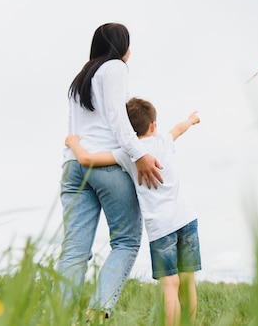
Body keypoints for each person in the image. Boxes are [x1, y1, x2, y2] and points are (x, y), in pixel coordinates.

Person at [56, 23, 163, 320]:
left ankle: (61, 316)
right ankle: (96, 312)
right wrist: (139, 153)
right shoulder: (115, 67)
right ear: (122, 46)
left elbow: (73, 129)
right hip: (106, 164)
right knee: (126, 241)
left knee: (74, 248)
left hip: (73, 165)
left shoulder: (81, 77)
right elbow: (118, 116)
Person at [66, 97, 202, 326]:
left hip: (161, 230)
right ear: (153, 125)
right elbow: (179, 128)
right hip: (186, 220)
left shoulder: (127, 154)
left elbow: (86, 159)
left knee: (170, 286)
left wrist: (73, 142)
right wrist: (192, 119)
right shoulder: (163, 141)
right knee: (188, 283)